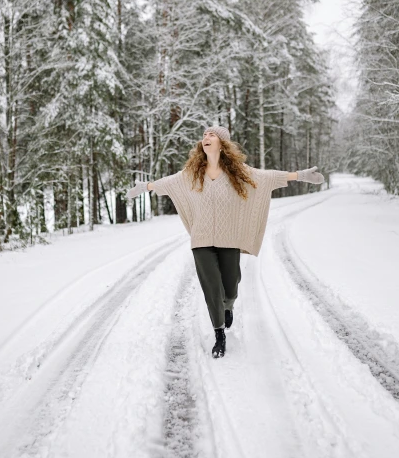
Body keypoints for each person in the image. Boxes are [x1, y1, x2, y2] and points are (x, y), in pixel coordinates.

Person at [126, 126, 324, 358]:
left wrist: (300, 175)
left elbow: (268, 176)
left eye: (211, 135)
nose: (205, 138)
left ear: (222, 143)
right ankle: (219, 333)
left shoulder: (238, 172)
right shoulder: (191, 173)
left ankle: (228, 305)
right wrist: (145, 187)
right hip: (201, 238)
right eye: (204, 135)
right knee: (211, 285)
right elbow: (167, 183)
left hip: (228, 236)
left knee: (230, 284)